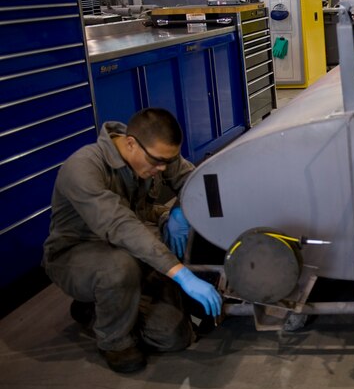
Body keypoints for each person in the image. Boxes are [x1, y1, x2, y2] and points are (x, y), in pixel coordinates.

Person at [43, 108, 222, 374]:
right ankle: (113, 340)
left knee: (174, 337)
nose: (162, 169)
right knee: (118, 268)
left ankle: (117, 303)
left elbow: (198, 183)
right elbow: (119, 226)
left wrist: (180, 212)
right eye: (158, 162)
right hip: (78, 254)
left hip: (133, 247)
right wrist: (182, 275)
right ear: (130, 143)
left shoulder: (156, 152)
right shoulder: (82, 168)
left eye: (168, 161)